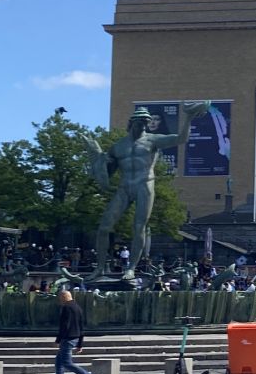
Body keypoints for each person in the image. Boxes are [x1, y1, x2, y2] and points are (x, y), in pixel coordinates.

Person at [82, 102, 209, 279]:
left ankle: (131, 268)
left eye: (145, 122)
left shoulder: (153, 140)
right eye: (139, 121)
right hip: (124, 187)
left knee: (139, 227)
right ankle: (100, 268)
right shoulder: (118, 146)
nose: (142, 124)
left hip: (144, 184)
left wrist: (188, 117)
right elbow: (104, 170)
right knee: (104, 227)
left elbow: (181, 138)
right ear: (131, 122)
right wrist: (95, 154)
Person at [45, 290, 99, 374]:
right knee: (59, 363)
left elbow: (64, 326)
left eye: (60, 297)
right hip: (75, 338)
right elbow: (81, 327)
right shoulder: (78, 308)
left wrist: (58, 340)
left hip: (67, 339)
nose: (59, 300)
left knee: (67, 363)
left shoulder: (66, 308)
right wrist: (80, 344)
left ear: (64, 297)